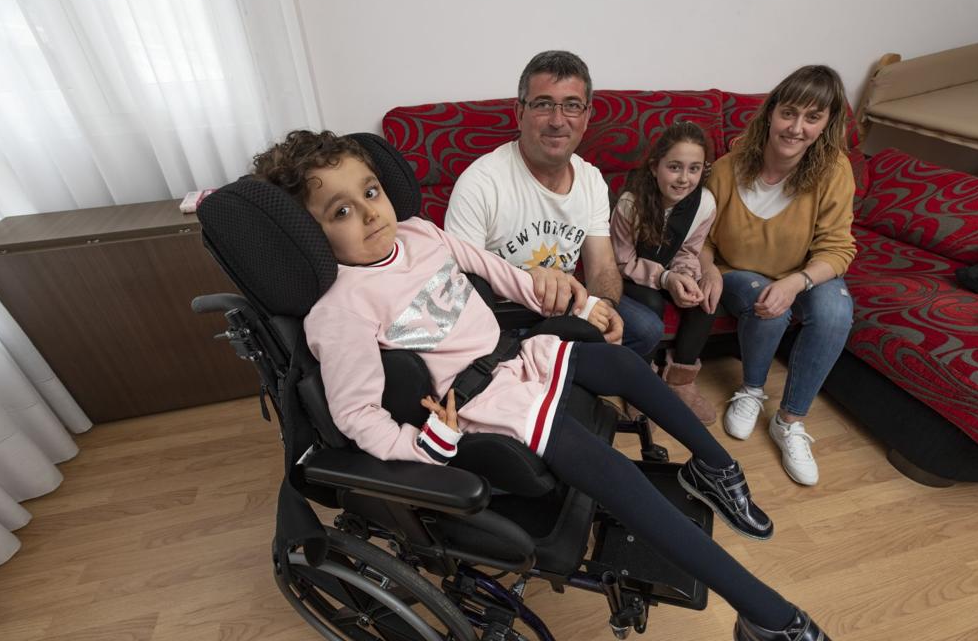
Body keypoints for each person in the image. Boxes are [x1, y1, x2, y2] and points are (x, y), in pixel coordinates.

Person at [250, 129, 833, 641]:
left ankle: (714, 467)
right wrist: (419, 448)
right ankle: (769, 616)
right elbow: (355, 415)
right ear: (310, 234)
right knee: (617, 477)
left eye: (370, 192)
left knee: (625, 364)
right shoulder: (341, 309)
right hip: (478, 404)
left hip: (512, 354)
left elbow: (496, 270)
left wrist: (558, 292)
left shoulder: (420, 233)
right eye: (341, 212)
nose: (371, 213)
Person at [444, 50, 663, 359]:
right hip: (504, 317)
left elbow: (602, 268)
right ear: (520, 113)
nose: (558, 121)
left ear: (586, 116)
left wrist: (605, 307)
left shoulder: (591, 180)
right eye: (544, 104)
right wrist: (527, 280)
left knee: (646, 329)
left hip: (569, 309)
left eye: (572, 106)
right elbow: (458, 290)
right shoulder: (480, 183)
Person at [701, 65, 857, 486]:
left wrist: (796, 282)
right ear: (770, 113)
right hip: (737, 272)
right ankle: (751, 390)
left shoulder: (833, 170)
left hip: (801, 273)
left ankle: (789, 421)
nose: (796, 128)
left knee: (836, 311)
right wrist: (706, 271)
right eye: (789, 113)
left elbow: (839, 248)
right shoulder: (727, 167)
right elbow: (701, 237)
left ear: (827, 124)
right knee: (761, 295)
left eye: (812, 118)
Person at [610, 121, 718, 424]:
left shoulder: (705, 203)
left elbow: (690, 250)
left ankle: (680, 380)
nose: (684, 179)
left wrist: (684, 276)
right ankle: (640, 380)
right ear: (655, 167)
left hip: (671, 272)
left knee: (706, 301)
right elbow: (621, 262)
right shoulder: (631, 204)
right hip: (633, 276)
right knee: (652, 303)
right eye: (675, 167)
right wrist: (664, 279)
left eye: (694, 169)